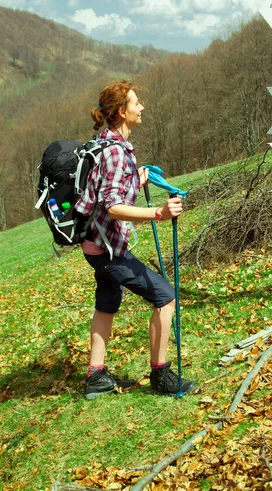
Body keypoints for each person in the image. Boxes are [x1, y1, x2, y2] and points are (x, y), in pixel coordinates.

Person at [75, 79, 196, 400]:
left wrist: (136, 177)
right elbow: (112, 206)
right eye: (136, 103)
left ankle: (96, 376)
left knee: (107, 303)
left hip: (95, 244)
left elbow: (110, 190)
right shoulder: (115, 152)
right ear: (121, 111)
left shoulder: (108, 143)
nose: (141, 107)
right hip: (107, 250)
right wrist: (159, 213)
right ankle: (161, 374)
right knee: (165, 297)